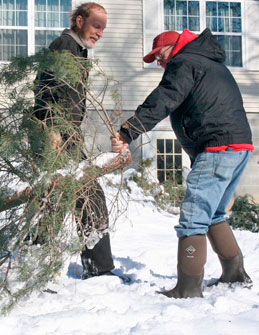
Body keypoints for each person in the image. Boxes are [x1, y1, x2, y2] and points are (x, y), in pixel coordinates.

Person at [111, 28, 253, 298]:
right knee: (213, 215)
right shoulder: (209, 62)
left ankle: (187, 288)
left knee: (193, 219)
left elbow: (162, 100)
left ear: (174, 46)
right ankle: (235, 275)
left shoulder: (184, 62)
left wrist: (127, 132)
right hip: (239, 147)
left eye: (160, 55)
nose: (159, 62)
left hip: (217, 148)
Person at [33, 2, 119, 280]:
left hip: (66, 131)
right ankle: (98, 268)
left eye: (103, 29)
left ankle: (32, 264)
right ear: (80, 21)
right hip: (58, 132)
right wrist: (52, 130)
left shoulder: (77, 49)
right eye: (96, 26)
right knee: (86, 194)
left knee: (55, 198)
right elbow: (46, 87)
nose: (100, 33)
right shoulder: (65, 46)